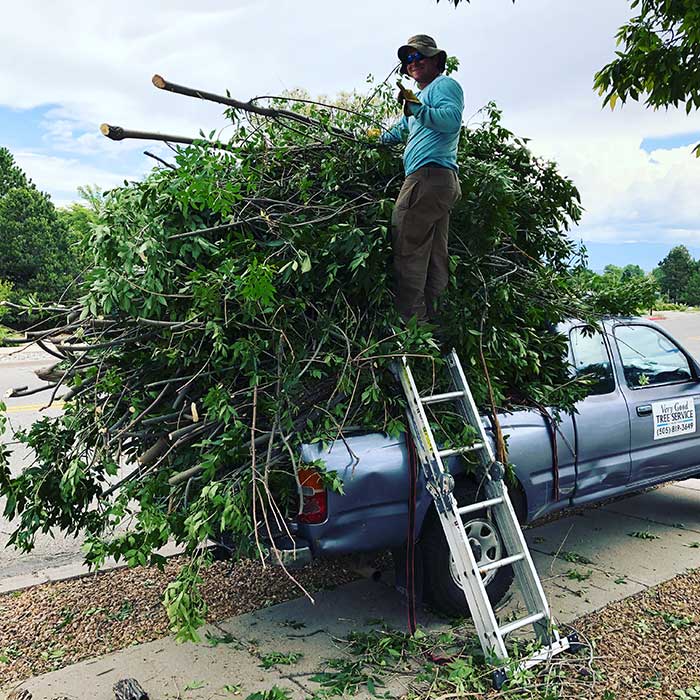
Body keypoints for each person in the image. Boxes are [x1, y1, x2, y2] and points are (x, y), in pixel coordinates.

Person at [378, 35, 464, 324]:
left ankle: (414, 328)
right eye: (409, 59)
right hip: (438, 183)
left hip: (426, 178)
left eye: (419, 56)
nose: (413, 63)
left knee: (407, 247)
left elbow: (451, 120)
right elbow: (400, 131)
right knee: (435, 256)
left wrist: (416, 107)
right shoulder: (421, 98)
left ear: (436, 60)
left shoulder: (444, 85)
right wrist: (372, 138)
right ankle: (438, 325)